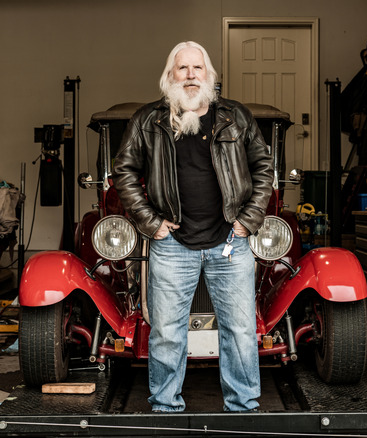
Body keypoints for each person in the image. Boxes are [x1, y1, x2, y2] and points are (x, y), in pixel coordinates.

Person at [112, 41, 273, 412]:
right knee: (167, 334)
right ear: (170, 76)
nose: (190, 75)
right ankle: (166, 407)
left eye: (197, 68)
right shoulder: (147, 120)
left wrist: (247, 222)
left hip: (230, 241)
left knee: (240, 331)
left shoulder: (236, 117)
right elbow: (123, 171)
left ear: (209, 75)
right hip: (171, 244)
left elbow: (264, 168)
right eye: (181, 69)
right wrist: (152, 225)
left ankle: (243, 408)